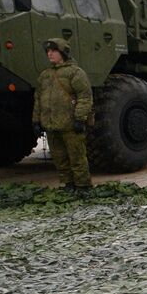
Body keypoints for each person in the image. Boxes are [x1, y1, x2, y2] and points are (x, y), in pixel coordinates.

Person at [32, 37, 94, 193]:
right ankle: (68, 184)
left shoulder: (75, 73)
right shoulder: (45, 75)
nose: (50, 54)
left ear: (63, 53)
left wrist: (80, 118)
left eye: (53, 51)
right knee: (60, 158)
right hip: (52, 125)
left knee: (77, 157)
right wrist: (36, 121)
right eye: (48, 51)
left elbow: (84, 97)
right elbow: (38, 99)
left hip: (70, 124)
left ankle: (82, 186)